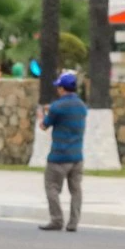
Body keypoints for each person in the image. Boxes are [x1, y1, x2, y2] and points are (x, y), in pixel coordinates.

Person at [40, 71, 87, 233]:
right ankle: (73, 222)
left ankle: (56, 219)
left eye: (58, 87)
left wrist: (46, 112)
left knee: (51, 187)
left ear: (61, 89)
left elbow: (44, 126)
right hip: (77, 157)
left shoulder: (57, 107)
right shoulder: (82, 106)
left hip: (59, 156)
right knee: (76, 190)